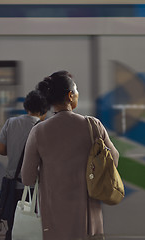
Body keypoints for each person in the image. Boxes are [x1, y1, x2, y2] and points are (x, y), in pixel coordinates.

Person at [21, 71, 119, 240]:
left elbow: (27, 178)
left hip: (53, 221)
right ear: (70, 95)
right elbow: (114, 160)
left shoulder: (38, 131)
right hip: (89, 221)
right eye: (77, 90)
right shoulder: (93, 125)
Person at [0, 90, 49, 240]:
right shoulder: (45, 127)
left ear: (26, 107)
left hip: (13, 188)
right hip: (35, 189)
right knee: (36, 229)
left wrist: (14, 150)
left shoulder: (11, 123)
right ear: (44, 110)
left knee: (15, 228)